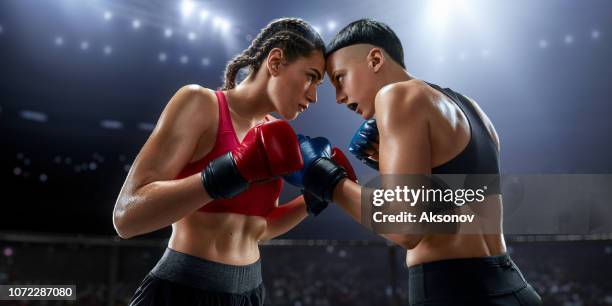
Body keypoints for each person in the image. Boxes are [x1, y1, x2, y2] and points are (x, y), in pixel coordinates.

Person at [287, 19, 542, 305]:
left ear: (374, 59)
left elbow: (406, 228)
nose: (338, 98)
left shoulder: (395, 96)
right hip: (514, 287)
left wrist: (327, 179)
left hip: (455, 292)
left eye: (339, 78)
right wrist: (388, 164)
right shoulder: (471, 107)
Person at [112, 18, 328, 306]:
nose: (314, 96)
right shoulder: (200, 104)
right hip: (183, 291)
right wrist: (225, 174)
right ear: (275, 62)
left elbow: (258, 229)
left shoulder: (272, 133)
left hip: (250, 294)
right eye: (311, 76)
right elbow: (126, 218)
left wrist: (312, 198)